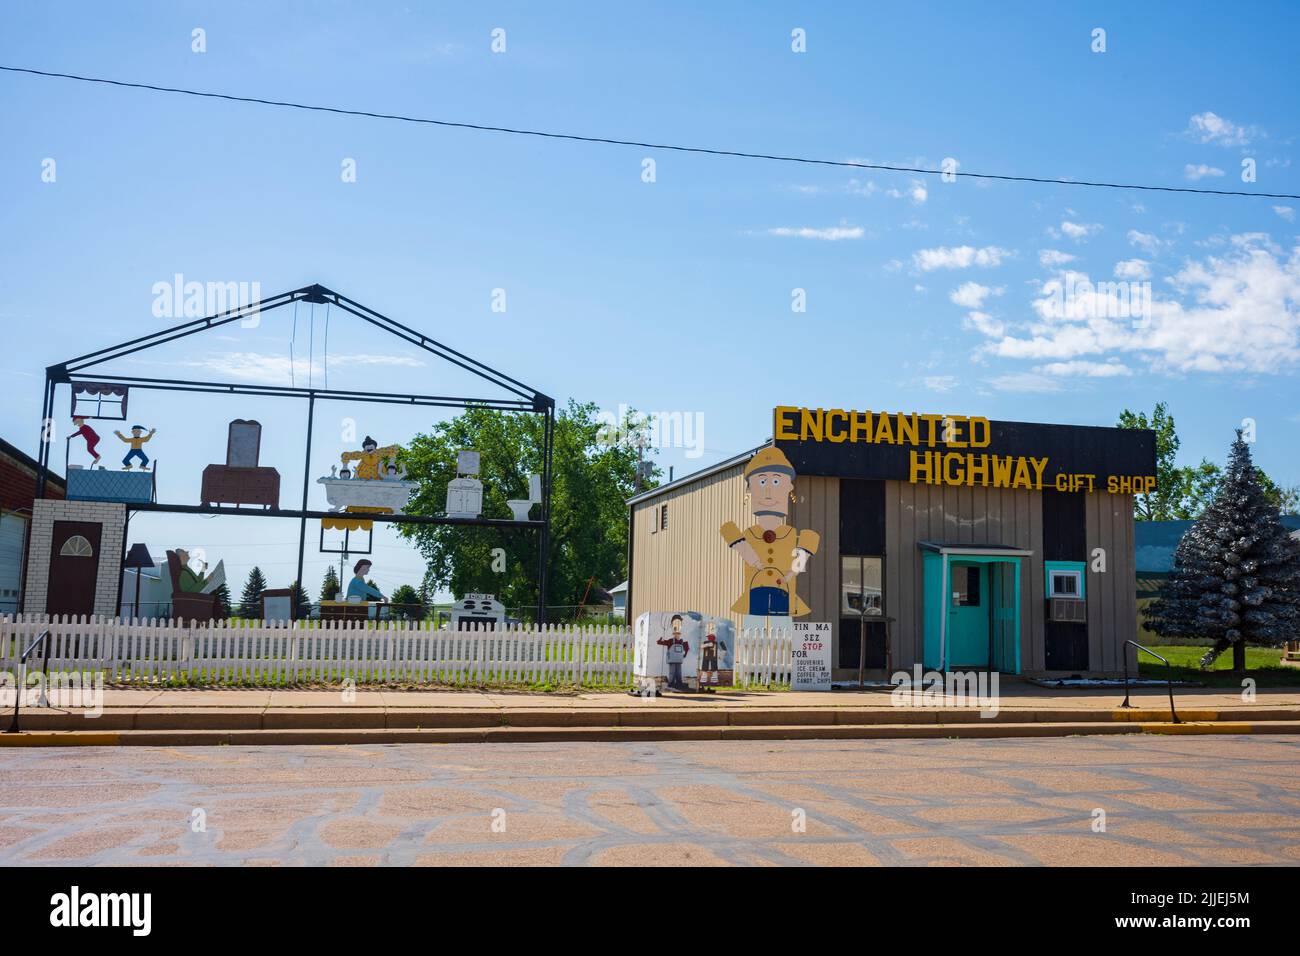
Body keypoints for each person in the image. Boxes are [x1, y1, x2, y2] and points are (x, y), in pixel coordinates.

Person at [720, 447, 820, 632]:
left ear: (789, 487)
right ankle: (753, 657)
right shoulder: (748, 533)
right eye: (761, 481)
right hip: (755, 588)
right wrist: (752, 558)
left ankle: (779, 657)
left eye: (775, 481)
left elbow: (800, 560)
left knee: (782, 627)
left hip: (783, 589)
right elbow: (735, 539)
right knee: (753, 627)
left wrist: (790, 574)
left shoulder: (793, 534)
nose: (767, 490)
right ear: (750, 488)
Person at [656, 614, 689, 689]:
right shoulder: (670, 641)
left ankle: (679, 683)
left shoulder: (682, 641)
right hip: (672, 659)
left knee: (679, 672)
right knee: (672, 672)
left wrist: (685, 654)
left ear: (680, 634)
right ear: (673, 634)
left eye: (678, 634)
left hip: (679, 660)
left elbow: (687, 648)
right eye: (675, 634)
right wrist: (660, 640)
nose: (676, 635)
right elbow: (660, 642)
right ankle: (671, 683)